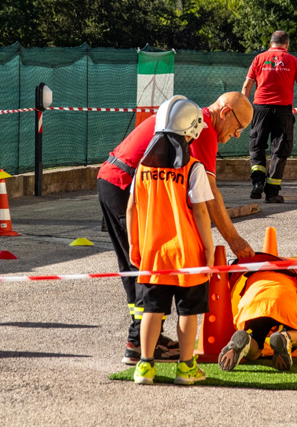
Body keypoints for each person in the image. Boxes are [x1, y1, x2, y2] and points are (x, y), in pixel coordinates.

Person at [97, 92, 255, 366]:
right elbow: (208, 197)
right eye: (239, 127)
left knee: (137, 266)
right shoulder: (202, 127)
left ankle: (145, 340)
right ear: (226, 112)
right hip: (124, 184)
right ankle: (139, 346)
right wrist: (234, 240)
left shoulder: (188, 116)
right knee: (147, 269)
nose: (238, 135)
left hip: (113, 179)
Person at [128, 95, 213, 385]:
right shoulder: (193, 168)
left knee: (152, 309)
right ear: (191, 130)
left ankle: (145, 366)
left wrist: (134, 245)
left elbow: (131, 209)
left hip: (153, 253)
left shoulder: (142, 168)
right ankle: (186, 368)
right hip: (188, 254)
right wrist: (209, 248)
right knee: (188, 311)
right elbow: (201, 212)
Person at [242, 30, 297, 203]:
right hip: (283, 110)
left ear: (270, 43)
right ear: (287, 44)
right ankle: (272, 192)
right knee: (280, 150)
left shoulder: (259, 59)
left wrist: (245, 110)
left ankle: (257, 182)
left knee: (257, 145)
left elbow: (246, 87)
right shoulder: (293, 61)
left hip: (260, 108)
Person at [217, 271, 297, 372]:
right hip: (284, 298)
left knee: (255, 350)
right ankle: (286, 337)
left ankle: (248, 342)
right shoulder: (293, 276)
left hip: (254, 300)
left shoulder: (253, 274)